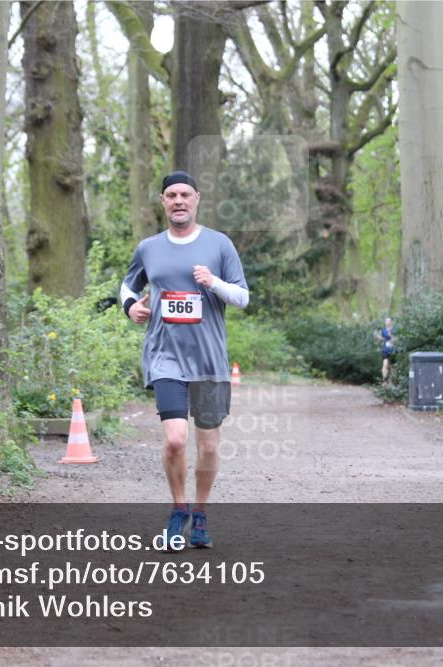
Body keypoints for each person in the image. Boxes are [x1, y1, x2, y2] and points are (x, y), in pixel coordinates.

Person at [120, 170, 249, 549]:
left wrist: (214, 283)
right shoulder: (149, 248)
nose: (179, 201)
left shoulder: (220, 245)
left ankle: (202, 515)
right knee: (176, 440)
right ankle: (179, 511)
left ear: (197, 199)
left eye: (185, 195)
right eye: (171, 195)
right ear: (162, 201)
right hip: (165, 357)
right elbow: (129, 285)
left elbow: (243, 298)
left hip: (209, 360)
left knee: (208, 447)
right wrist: (131, 308)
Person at [374, 317, 396, 383]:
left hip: (393, 350)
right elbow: (382, 339)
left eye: (389, 321)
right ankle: (384, 380)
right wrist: (378, 337)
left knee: (393, 367)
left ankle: (393, 382)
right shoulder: (383, 330)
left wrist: (391, 336)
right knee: (385, 365)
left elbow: (396, 339)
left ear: (391, 322)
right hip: (385, 350)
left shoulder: (394, 329)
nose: (387, 322)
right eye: (386, 321)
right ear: (385, 322)